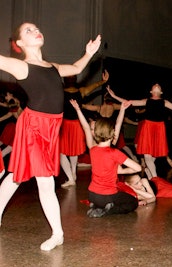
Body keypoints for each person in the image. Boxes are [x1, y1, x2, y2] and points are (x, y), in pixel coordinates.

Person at [0, 22, 101, 251]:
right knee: (44, 181)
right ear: (19, 43)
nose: (35, 31)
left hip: (52, 128)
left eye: (36, 28)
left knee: (16, 175)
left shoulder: (52, 66)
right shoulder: (21, 67)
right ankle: (58, 234)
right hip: (34, 126)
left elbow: (75, 68)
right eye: (28, 30)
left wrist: (89, 54)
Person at [106, 84, 172, 179]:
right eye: (154, 85)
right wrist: (114, 96)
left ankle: (151, 174)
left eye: (159, 86)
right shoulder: (146, 101)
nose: (156, 85)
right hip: (148, 127)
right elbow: (128, 101)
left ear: (161, 93)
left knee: (154, 156)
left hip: (159, 128)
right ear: (151, 91)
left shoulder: (164, 102)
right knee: (147, 155)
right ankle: (155, 179)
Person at [70, 99, 142, 217]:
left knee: (113, 195)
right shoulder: (115, 153)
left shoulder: (92, 149)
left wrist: (78, 110)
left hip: (92, 194)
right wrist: (123, 170)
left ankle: (97, 206)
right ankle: (107, 210)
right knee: (133, 202)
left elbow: (86, 128)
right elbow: (138, 168)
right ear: (113, 134)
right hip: (107, 196)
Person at [60, 70, 110, 188]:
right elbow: (94, 86)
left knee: (65, 153)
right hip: (72, 125)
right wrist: (103, 81)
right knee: (70, 152)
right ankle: (72, 176)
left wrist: (103, 81)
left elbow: (94, 86)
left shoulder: (64, 92)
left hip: (70, 124)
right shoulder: (78, 91)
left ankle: (71, 177)